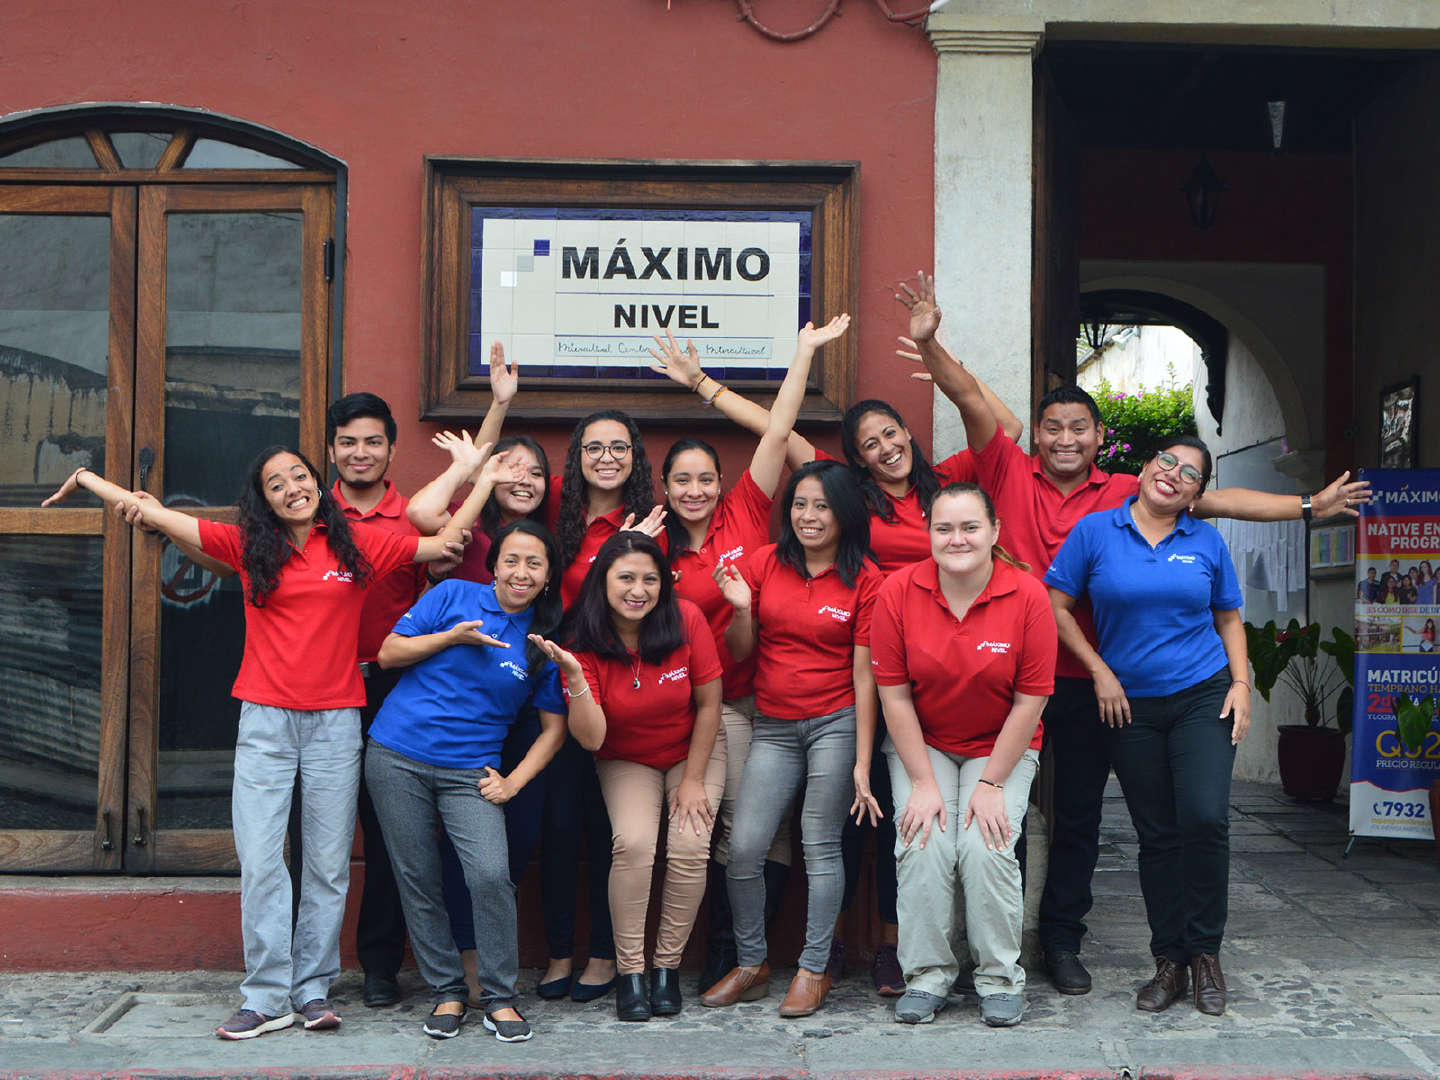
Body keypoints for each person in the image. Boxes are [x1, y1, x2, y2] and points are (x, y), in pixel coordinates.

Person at [899, 269, 1371, 998]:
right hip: (1010, 675)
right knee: (1002, 815)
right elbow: (967, 398)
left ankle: (1062, 942)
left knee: (1081, 816)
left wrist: (1309, 505)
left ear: (1101, 437)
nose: (1064, 438)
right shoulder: (1005, 471)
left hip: (1098, 682)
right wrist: (932, 345)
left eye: (1078, 428)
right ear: (1038, 435)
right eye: (1052, 427)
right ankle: (998, 948)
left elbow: (1223, 502)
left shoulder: (1127, 491)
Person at [41, 444, 522, 1039]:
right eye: (276, 484)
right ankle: (267, 996)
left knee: (327, 863)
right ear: (264, 501)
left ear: (318, 483)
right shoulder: (250, 547)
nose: (292, 487)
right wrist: (87, 478)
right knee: (263, 858)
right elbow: (161, 515)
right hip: (266, 721)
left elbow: (446, 543)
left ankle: (312, 990)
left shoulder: (357, 545)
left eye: (299, 475)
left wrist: (481, 476)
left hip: (336, 720)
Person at [650, 331, 1022, 995]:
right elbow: (779, 431)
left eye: (891, 434)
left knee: (866, 831)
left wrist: (941, 357)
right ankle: (766, 959)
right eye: (868, 443)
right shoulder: (804, 533)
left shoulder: (941, 492)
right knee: (766, 841)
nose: (884, 448)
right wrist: (705, 383)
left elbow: (1003, 427)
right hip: (803, 709)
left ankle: (843, 960)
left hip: (894, 686)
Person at [648, 316, 850, 993]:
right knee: (734, 829)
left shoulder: (743, 512)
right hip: (719, 705)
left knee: (779, 833)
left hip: (775, 695)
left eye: (705, 479)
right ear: (666, 487)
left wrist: (801, 354)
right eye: (682, 481)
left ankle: (752, 954)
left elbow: (779, 430)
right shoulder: (655, 548)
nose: (695, 491)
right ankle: (730, 952)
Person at [1044, 437, 1250, 1016]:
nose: (1174, 474)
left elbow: (1228, 617)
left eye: (1190, 473)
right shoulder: (1095, 532)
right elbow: (1056, 606)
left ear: (1196, 494)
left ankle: (1205, 954)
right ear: (1143, 468)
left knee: (1204, 819)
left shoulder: (1205, 540)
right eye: (1167, 461)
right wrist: (1099, 672)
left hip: (1202, 695)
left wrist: (1241, 683)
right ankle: (1170, 962)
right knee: (1157, 833)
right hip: (1128, 706)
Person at [366, 519, 568, 1042]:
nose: (521, 572)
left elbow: (554, 730)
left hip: (470, 771)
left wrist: (513, 784)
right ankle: (447, 991)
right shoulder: (453, 594)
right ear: (494, 564)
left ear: (548, 576)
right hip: (396, 755)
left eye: (534, 564)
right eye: (511, 560)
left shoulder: (541, 641)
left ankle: (500, 997)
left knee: (490, 874)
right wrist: (450, 637)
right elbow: (388, 653)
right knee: (417, 876)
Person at [702, 460, 884, 1018]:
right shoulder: (765, 562)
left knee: (818, 841)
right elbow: (740, 650)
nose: (808, 516)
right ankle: (752, 964)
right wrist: (740, 608)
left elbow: (865, 676)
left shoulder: (866, 578)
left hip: (836, 722)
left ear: (844, 513)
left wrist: (861, 761)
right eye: (800, 504)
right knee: (744, 846)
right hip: (774, 725)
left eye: (822, 506)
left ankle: (812, 970)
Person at [871, 482, 1056, 1027]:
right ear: (928, 533)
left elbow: (1031, 701)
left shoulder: (1027, 596)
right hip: (922, 744)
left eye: (970, 527)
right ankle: (927, 976)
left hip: (1000, 746)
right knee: (922, 839)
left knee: (987, 845)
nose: (957, 539)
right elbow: (894, 696)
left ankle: (999, 977)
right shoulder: (898, 592)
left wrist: (992, 785)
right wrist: (923, 784)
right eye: (944, 528)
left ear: (994, 531)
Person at [531, 532, 724, 1021]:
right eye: (626, 578)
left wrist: (693, 779)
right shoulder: (582, 640)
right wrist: (577, 679)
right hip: (625, 757)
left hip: (692, 750)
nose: (638, 590)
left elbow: (709, 704)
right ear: (603, 581)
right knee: (633, 844)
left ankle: (666, 969)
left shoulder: (687, 619)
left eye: (650, 579)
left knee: (689, 845)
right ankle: (632, 972)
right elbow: (592, 739)